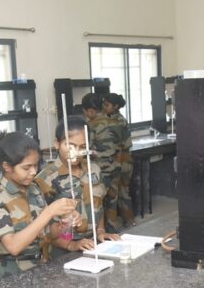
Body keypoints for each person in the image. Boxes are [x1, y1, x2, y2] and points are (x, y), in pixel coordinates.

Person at [0, 132, 77, 282]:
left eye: (36, 165)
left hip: (42, 266)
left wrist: (65, 223)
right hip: (10, 274)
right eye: (26, 167)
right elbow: (14, 246)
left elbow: (49, 234)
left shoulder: (34, 189)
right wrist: (49, 212)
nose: (33, 172)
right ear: (7, 167)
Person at [35, 116, 119, 259]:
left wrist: (100, 231)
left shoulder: (94, 169)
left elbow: (98, 204)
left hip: (92, 245)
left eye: (83, 147)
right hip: (61, 250)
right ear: (57, 144)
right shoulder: (45, 179)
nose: (76, 152)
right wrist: (71, 245)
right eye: (70, 146)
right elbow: (40, 229)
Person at [81, 93, 123, 233]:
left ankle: (101, 232)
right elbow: (122, 143)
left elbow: (86, 147)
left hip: (101, 169)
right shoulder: (115, 120)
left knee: (99, 201)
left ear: (90, 111)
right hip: (116, 165)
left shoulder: (91, 125)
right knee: (112, 200)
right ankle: (113, 230)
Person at [103, 93, 135, 227]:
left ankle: (128, 220)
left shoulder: (118, 121)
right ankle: (127, 220)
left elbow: (118, 145)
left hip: (123, 159)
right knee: (119, 191)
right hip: (120, 157)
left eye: (107, 105)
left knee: (121, 191)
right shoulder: (112, 118)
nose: (104, 107)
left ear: (115, 106)